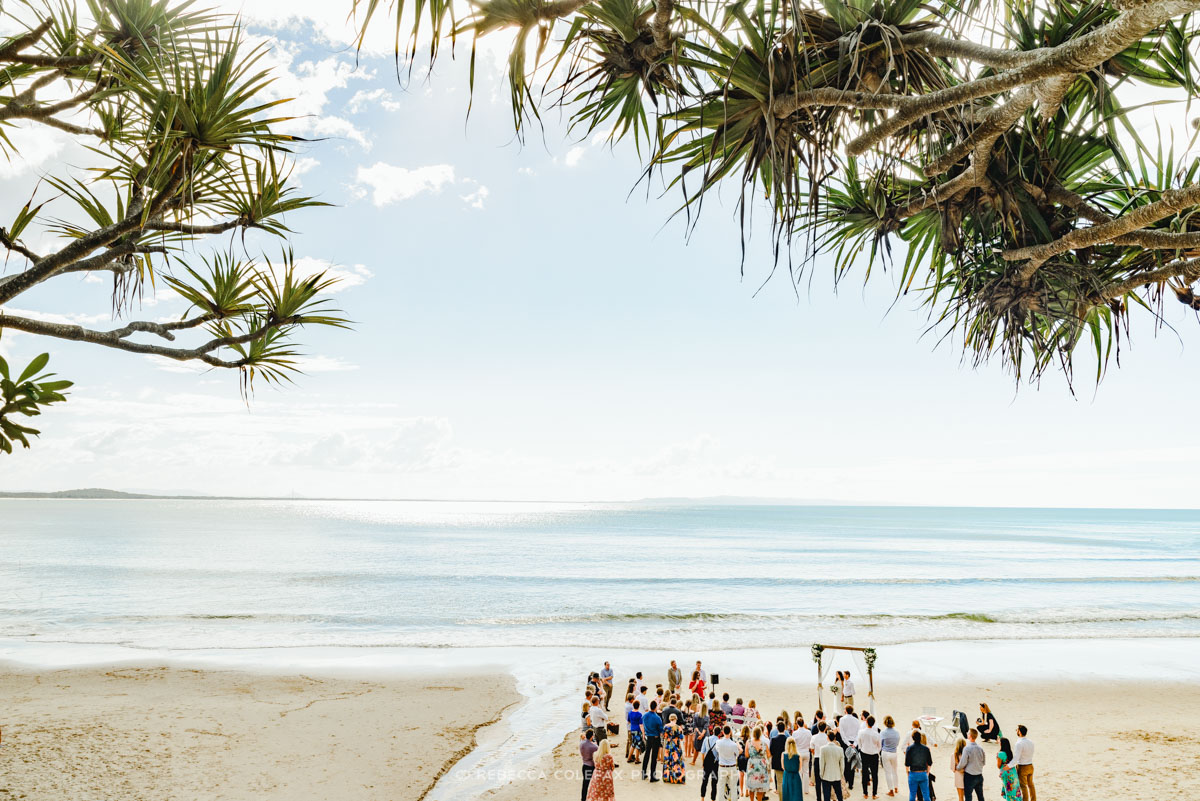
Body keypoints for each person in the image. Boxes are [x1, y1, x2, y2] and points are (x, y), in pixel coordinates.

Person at [957, 729, 986, 801]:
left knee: (968, 797)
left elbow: (963, 763)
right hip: (979, 775)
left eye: (968, 733)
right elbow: (983, 762)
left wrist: (958, 768)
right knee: (980, 796)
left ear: (970, 736)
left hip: (970, 776)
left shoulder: (967, 748)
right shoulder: (980, 748)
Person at [904, 730, 933, 801]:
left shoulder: (909, 748)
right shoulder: (926, 749)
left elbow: (907, 763)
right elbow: (929, 762)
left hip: (913, 773)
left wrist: (907, 773)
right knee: (926, 794)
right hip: (923, 773)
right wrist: (928, 772)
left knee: (912, 794)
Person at [818, 730, 846, 801]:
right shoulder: (840, 749)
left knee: (826, 796)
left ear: (827, 737)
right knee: (839, 795)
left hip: (826, 775)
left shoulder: (823, 749)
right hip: (837, 775)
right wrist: (841, 773)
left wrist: (821, 774)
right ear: (834, 738)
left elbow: (822, 763)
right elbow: (842, 764)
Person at [716, 725, 742, 801]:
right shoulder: (733, 744)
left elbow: (718, 751)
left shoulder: (718, 742)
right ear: (730, 732)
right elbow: (737, 754)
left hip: (722, 766)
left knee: (721, 787)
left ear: (723, 732)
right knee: (733, 787)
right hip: (732, 766)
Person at [745, 726, 771, 801]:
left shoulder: (749, 742)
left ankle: (752, 800)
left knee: (751, 785)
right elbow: (769, 755)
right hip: (761, 765)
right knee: (760, 786)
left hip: (752, 764)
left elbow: (746, 755)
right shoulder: (764, 743)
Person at [859, 714, 882, 799]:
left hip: (864, 753)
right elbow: (879, 746)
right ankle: (874, 794)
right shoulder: (876, 734)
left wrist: (862, 749)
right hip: (874, 754)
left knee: (865, 773)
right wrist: (876, 751)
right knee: (875, 774)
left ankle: (865, 793)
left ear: (867, 722)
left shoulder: (862, 732)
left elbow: (859, 743)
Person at [642, 701, 664, 781]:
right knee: (654, 757)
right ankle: (652, 775)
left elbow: (643, 723)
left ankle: (643, 773)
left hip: (648, 736)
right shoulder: (657, 718)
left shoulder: (645, 715)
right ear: (655, 707)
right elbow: (661, 729)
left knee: (647, 754)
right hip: (655, 737)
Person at [1011, 725, 1034, 801]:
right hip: (1030, 765)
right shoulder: (1031, 742)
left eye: (1017, 730)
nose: (1016, 731)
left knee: (1023, 786)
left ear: (1019, 732)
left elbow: (1016, 758)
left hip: (1022, 767)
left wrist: (1008, 766)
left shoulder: (1019, 743)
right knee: (1031, 785)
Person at [700, 726, 722, 800]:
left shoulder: (706, 739)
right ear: (719, 733)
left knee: (704, 780)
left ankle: (702, 797)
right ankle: (713, 799)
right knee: (714, 782)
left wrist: (703, 762)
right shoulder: (719, 742)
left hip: (707, 761)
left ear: (713, 731)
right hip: (715, 762)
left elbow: (702, 751)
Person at [663, 712, 686, 784]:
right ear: (675, 719)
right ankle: (677, 778)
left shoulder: (666, 726)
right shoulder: (678, 727)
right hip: (676, 745)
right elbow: (681, 738)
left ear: (670, 719)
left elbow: (665, 737)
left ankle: (668, 778)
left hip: (669, 745)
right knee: (677, 762)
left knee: (668, 762)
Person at [880, 716, 900, 797]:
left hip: (885, 752)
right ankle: (896, 787)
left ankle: (891, 790)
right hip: (894, 752)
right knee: (894, 771)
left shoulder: (883, 732)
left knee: (888, 772)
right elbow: (897, 743)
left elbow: (881, 743)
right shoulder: (897, 732)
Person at [790, 714, 812, 782]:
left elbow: (793, 744)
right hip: (806, 752)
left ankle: (800, 787)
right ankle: (806, 789)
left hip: (799, 752)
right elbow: (810, 742)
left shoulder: (795, 733)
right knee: (806, 772)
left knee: (799, 771)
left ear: (797, 724)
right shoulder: (808, 732)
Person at [771, 718, 790, 792]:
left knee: (779, 781)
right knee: (785, 780)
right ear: (784, 728)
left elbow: (771, 751)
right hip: (786, 761)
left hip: (776, 761)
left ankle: (779, 794)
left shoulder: (773, 739)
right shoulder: (787, 739)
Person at [581, 728, 599, 801]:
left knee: (585, 784)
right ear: (592, 736)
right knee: (594, 783)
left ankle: (583, 798)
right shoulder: (594, 747)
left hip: (584, 764)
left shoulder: (581, 744)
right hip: (591, 766)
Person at [811, 721, 831, 788]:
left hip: (817, 757)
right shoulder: (827, 738)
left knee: (817, 780)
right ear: (825, 728)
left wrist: (815, 753)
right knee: (826, 780)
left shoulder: (814, 737)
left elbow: (812, 748)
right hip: (826, 759)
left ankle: (818, 797)